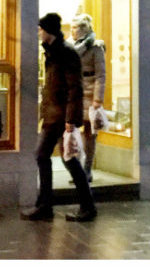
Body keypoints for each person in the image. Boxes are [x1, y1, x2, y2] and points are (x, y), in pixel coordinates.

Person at [21, 13, 97, 222]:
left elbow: (75, 89)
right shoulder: (52, 52)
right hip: (52, 115)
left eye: (41, 29)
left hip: (62, 117)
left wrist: (71, 121)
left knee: (65, 159)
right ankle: (48, 205)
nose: (38, 33)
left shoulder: (66, 53)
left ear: (49, 31)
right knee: (48, 157)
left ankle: (84, 207)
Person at [70, 13, 106, 183]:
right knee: (72, 132)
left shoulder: (96, 47)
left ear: (84, 30)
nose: (72, 31)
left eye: (75, 28)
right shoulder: (70, 46)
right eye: (71, 27)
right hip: (74, 91)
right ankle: (77, 169)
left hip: (90, 92)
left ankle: (87, 169)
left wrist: (98, 99)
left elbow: (101, 75)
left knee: (90, 134)